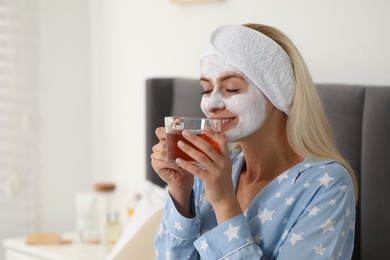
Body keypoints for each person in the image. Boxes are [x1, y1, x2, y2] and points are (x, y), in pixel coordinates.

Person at [151, 23, 357, 259]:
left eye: (232, 88)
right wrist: (181, 192)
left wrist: (224, 202)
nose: (211, 104)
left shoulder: (327, 185)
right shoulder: (208, 171)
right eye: (206, 90)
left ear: (276, 93)